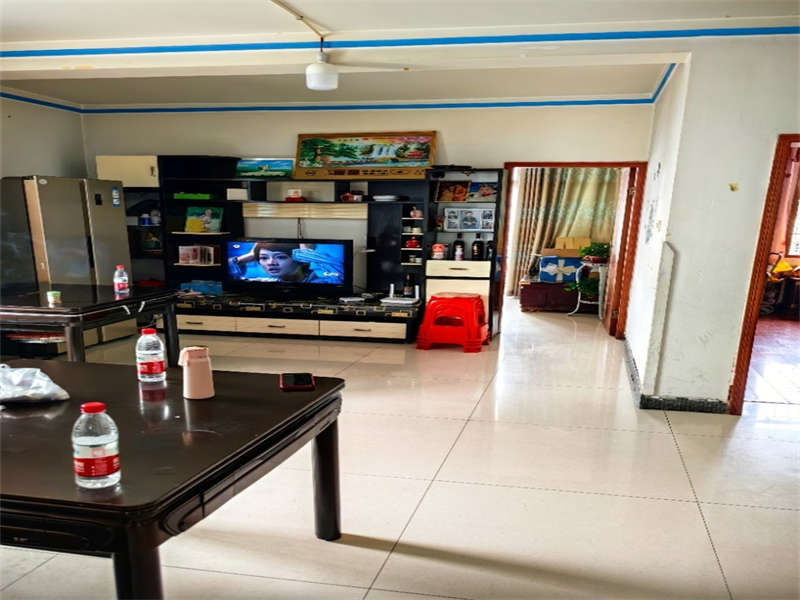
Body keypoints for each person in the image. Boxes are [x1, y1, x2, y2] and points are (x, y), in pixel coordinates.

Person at [228, 242, 343, 283]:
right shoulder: (265, 283)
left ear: (299, 259)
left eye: (281, 257)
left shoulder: (326, 282)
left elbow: (340, 270)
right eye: (264, 258)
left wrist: (305, 253)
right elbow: (230, 278)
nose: (271, 263)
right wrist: (249, 256)